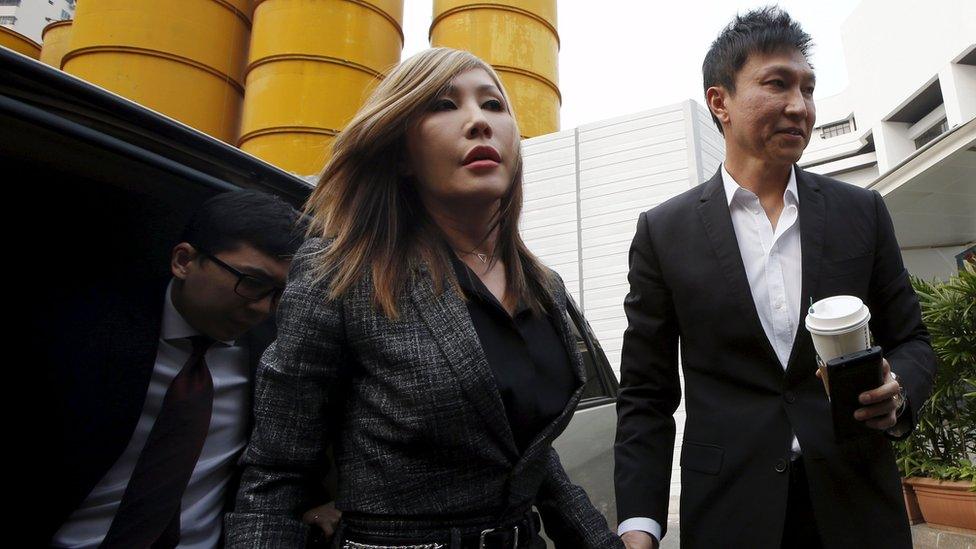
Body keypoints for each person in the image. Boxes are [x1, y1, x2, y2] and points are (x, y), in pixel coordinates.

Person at [225, 48, 623, 549]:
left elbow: (529, 458)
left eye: (494, 105)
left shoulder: (545, 285)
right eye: (442, 105)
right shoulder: (342, 272)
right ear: (399, 154)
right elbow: (275, 476)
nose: (479, 121)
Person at [613, 7, 935, 549]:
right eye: (777, 84)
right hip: (729, 515)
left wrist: (898, 388)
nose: (800, 106)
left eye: (809, 88)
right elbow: (646, 394)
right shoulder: (664, 232)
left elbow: (912, 342)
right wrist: (639, 525)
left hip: (857, 506)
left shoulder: (862, 212)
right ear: (721, 103)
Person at [46, 190, 309, 548]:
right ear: (184, 261)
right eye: (251, 282)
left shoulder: (277, 356)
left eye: (280, 294)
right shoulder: (80, 331)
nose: (263, 309)